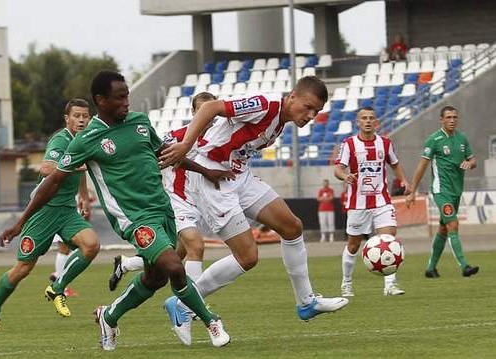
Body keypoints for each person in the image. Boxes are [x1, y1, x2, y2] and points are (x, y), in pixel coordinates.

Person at [0, 71, 232, 351]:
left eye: (127, 96)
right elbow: (53, 181)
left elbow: (168, 155)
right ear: (101, 100)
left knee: (154, 278)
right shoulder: (87, 139)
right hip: (133, 220)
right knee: (173, 266)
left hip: (162, 211)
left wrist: (207, 171)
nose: (127, 103)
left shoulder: (140, 123)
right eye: (120, 98)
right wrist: (21, 222)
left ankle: (108, 316)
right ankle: (211, 320)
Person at [159, 76, 349, 346]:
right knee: (248, 256)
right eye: (307, 107)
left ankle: (306, 303)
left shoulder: (280, 123)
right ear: (292, 96)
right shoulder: (264, 104)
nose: (310, 115)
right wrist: (186, 145)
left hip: (237, 175)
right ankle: (183, 303)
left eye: (316, 112)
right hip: (212, 178)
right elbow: (208, 108)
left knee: (292, 226)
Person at [0, 99, 100, 331]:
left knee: (91, 245)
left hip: (67, 211)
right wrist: (77, 166)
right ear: (67, 119)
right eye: (76, 116)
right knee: (23, 269)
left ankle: (57, 287)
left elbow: (80, 169)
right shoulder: (60, 139)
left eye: (85, 116)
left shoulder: (85, 139)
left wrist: (84, 197)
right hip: (43, 211)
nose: (81, 120)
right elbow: (47, 168)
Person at [108, 92, 218, 291]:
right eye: (202, 110)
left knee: (174, 257)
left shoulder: (218, 137)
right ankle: (192, 304)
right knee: (196, 247)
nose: (208, 116)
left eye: (212, 111)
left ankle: (126, 264)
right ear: (194, 112)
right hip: (175, 200)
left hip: (197, 202)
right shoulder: (177, 137)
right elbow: (152, 155)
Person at [334, 106, 410, 297]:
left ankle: (390, 284)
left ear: (376, 122)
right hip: (357, 203)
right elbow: (338, 169)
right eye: (364, 118)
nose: (368, 121)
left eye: (371, 118)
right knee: (353, 245)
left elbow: (395, 164)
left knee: (389, 239)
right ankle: (347, 283)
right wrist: (345, 176)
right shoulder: (349, 144)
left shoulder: (385, 144)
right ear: (357, 122)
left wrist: (404, 181)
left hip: (382, 201)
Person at [406, 106, 479, 278]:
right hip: (441, 191)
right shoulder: (434, 140)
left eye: (455, 117)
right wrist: (412, 190)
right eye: (448, 117)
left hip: (456, 191)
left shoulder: (462, 138)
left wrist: (471, 164)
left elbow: (472, 159)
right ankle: (464, 266)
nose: (452, 120)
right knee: (453, 224)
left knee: (443, 229)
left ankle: (431, 268)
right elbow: (422, 166)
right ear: (441, 120)